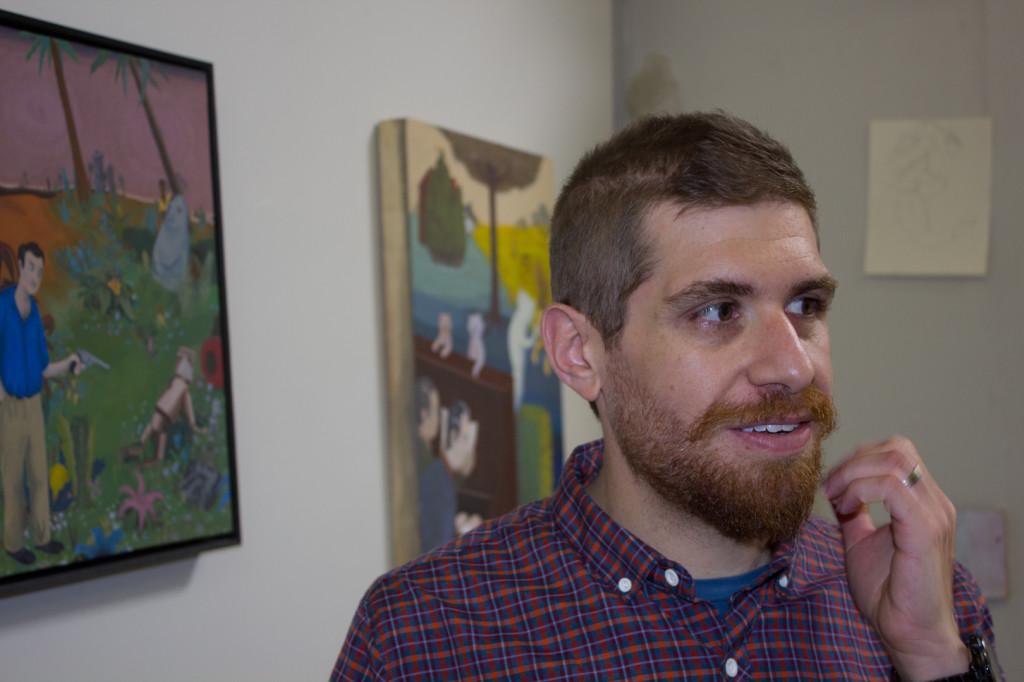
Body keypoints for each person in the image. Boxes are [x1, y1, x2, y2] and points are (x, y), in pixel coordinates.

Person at [333, 113, 999, 680]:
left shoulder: (922, 599)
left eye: (806, 304)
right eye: (716, 311)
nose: (793, 366)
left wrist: (930, 656)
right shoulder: (423, 638)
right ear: (579, 353)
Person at [0, 243, 83, 565]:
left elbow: (43, 367)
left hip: (34, 403)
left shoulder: (34, 312)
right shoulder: (3, 306)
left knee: (38, 474)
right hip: (10, 406)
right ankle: (12, 544)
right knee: (12, 477)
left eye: (39, 270)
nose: (35, 276)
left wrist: (70, 364)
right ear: (20, 266)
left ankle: (43, 537)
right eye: (31, 267)